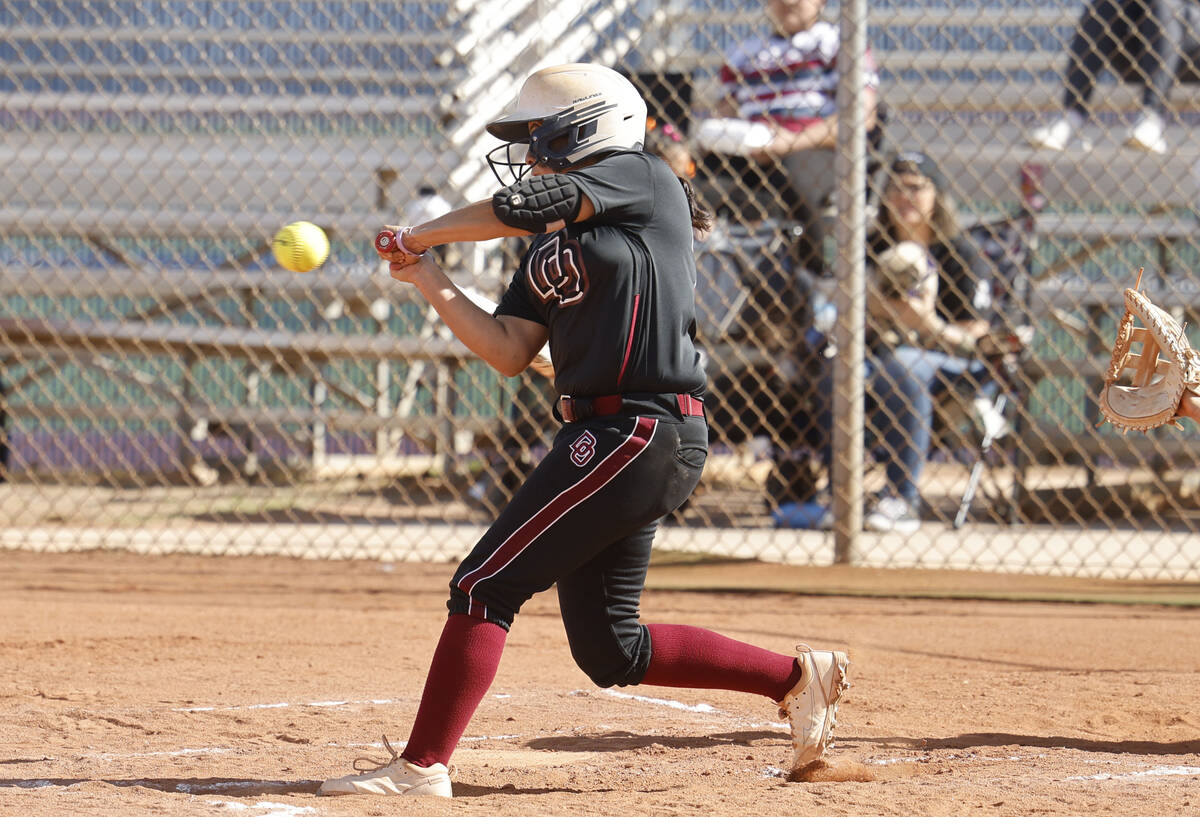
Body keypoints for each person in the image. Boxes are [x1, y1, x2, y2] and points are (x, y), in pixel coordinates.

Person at [316, 63, 850, 798]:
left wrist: (420, 229)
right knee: (610, 647)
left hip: (637, 430)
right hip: (605, 435)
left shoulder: (644, 177)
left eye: (542, 136)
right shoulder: (547, 245)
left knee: (483, 584)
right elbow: (509, 350)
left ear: (589, 128)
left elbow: (529, 203)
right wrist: (428, 275)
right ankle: (798, 678)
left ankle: (422, 766)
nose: (531, 152)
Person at [807, 151, 1016, 533]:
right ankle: (840, 497)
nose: (906, 198)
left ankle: (901, 498)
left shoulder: (959, 253)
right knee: (836, 369)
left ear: (937, 195)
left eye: (917, 188)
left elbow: (979, 337)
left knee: (903, 364)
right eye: (897, 189)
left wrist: (928, 324)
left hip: (953, 361)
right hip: (881, 351)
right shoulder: (870, 246)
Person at [695, 0, 880, 277]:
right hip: (749, 149)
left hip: (816, 147)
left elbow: (861, 117)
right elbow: (726, 111)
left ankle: (817, 276)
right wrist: (731, 137)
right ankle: (702, 271)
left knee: (798, 175)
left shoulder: (839, 42)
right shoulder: (743, 52)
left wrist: (788, 141)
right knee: (697, 185)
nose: (788, 2)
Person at [1029, 0, 1200, 154]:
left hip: (1190, 42)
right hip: (1141, 43)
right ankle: (1071, 117)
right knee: (1104, 5)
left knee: (1164, 4)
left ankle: (1152, 117)